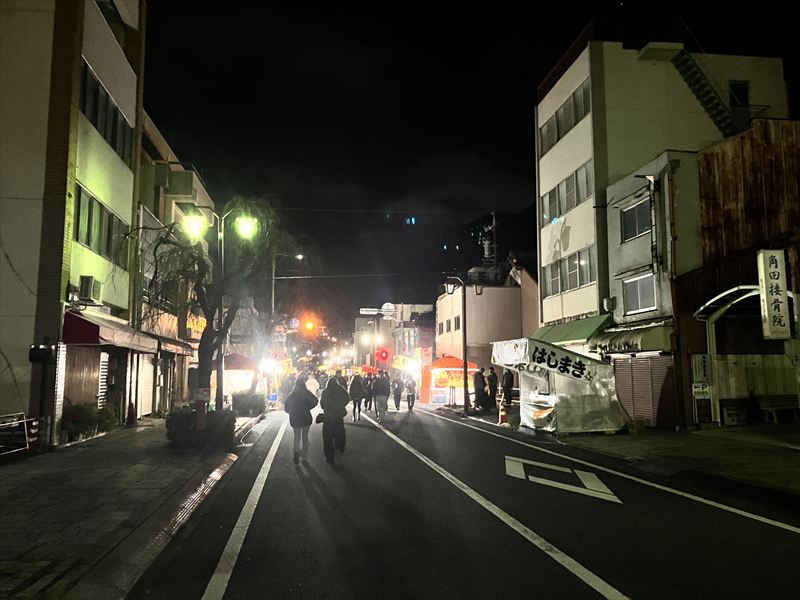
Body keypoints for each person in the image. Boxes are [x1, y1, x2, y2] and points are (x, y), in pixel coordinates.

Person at [284, 376, 318, 464]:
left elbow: (286, 407)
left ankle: (296, 453)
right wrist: (308, 407)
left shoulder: (292, 395)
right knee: (305, 437)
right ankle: (304, 457)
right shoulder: (307, 393)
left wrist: (292, 411)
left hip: (295, 418)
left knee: (296, 437)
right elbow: (315, 401)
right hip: (306, 417)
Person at [320, 378, 349, 464]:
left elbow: (322, 404)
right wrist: (341, 405)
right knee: (339, 434)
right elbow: (347, 399)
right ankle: (339, 449)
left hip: (328, 417)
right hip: (338, 416)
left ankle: (329, 457)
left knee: (327, 438)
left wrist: (327, 407)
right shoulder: (341, 390)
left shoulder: (325, 392)